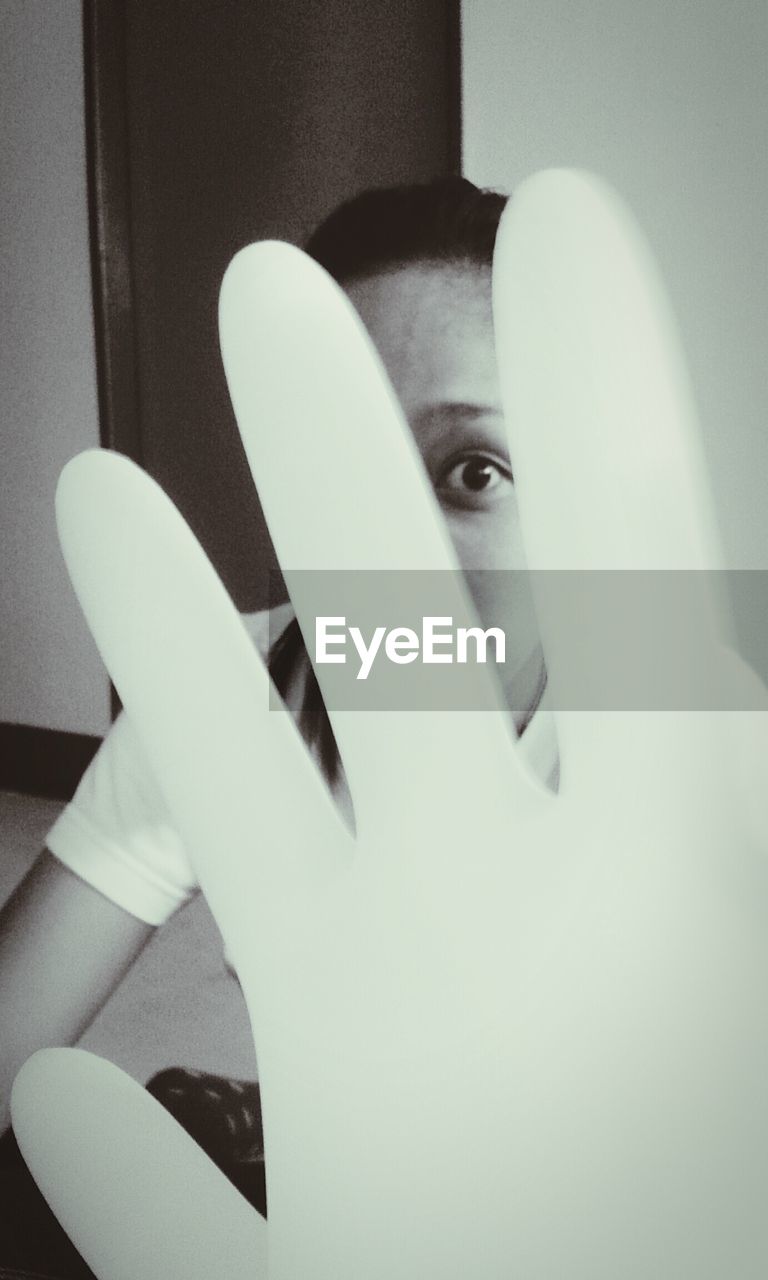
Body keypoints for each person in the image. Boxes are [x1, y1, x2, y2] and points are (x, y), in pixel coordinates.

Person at [0, 176, 556, 1269]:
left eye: (474, 470)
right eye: (337, 466)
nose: (396, 549)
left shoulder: (685, 707)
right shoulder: (227, 689)